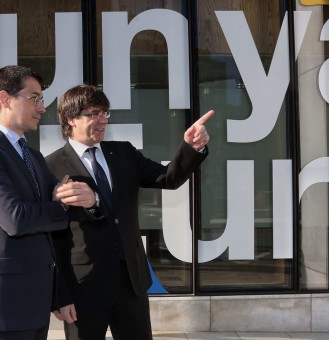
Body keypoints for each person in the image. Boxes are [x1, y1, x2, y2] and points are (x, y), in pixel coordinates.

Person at [45, 84, 214, 340]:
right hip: (84, 288)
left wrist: (191, 147)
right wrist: (60, 296)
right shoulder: (50, 166)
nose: (103, 120)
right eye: (94, 114)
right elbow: (52, 240)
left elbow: (168, 178)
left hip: (131, 284)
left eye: (105, 113)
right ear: (71, 119)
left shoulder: (123, 152)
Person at [0, 66, 99, 340]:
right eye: (34, 98)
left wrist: (80, 198)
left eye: (42, 99)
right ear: (4, 99)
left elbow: (51, 228)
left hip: (36, 300)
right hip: (5, 304)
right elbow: (15, 218)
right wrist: (60, 205)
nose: (43, 107)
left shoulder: (33, 156)